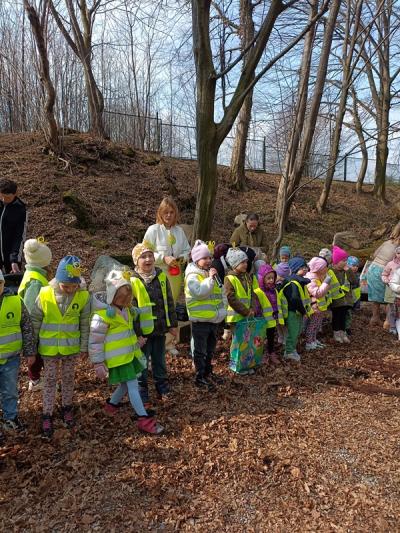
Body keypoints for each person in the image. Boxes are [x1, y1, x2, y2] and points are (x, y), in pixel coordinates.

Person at [89, 270, 164, 435]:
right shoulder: (103, 316)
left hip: (128, 355)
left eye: (127, 299)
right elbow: (95, 341)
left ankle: (111, 406)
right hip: (117, 358)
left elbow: (127, 332)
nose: (125, 302)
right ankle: (143, 418)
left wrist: (136, 342)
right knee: (133, 386)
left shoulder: (126, 310)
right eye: (122, 299)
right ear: (113, 296)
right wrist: (98, 362)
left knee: (125, 384)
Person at [31, 256, 90, 438]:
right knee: (49, 380)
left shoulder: (83, 296)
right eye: (66, 286)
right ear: (58, 280)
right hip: (49, 349)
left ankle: (67, 407)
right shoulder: (45, 293)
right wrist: (32, 347)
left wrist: (84, 347)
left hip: (71, 348)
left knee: (68, 378)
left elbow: (85, 323)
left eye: (74, 286)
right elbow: (35, 320)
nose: (70, 289)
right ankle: (47, 413)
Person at [130, 242, 178, 406]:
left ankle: (162, 386)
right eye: (143, 257)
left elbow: (169, 301)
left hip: (159, 328)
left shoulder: (161, 276)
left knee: (159, 359)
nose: (148, 259)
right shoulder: (133, 281)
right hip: (143, 333)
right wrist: (137, 334)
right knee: (142, 362)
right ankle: (142, 390)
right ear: (136, 261)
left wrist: (172, 324)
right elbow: (132, 311)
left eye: (150, 256)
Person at [143, 197, 190, 356]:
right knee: (157, 307)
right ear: (160, 213)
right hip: (157, 273)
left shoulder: (179, 231)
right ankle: (153, 342)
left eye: (171, 212)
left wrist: (182, 258)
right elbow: (144, 252)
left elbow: (187, 250)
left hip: (175, 274)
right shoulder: (153, 230)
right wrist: (163, 258)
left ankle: (169, 343)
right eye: (166, 212)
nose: (169, 215)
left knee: (171, 307)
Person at [185, 240, 226, 391]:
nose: (209, 261)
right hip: (200, 320)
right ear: (196, 260)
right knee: (200, 350)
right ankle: (199, 376)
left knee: (210, 349)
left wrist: (223, 310)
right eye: (204, 258)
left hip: (213, 319)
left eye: (209, 257)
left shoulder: (210, 274)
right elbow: (200, 292)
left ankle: (208, 372)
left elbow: (221, 293)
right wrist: (210, 279)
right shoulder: (192, 276)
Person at [0, 271, 36, 442]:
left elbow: (27, 327)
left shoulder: (15, 301)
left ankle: (11, 418)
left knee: (10, 390)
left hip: (10, 359)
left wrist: (30, 351)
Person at [18, 237, 52, 392]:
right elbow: (30, 308)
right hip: (33, 325)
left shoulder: (32, 273)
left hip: (35, 323)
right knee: (36, 355)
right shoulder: (35, 281)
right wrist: (33, 332)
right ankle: (35, 380)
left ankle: (37, 377)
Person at [224, 248, 259, 374]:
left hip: (247, 315)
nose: (245, 264)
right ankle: (236, 365)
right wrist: (245, 311)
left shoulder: (247, 277)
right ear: (234, 264)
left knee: (247, 341)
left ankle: (245, 364)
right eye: (242, 262)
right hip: (236, 316)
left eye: (246, 262)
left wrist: (253, 308)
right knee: (238, 342)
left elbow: (252, 294)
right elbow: (231, 298)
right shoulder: (229, 278)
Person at [367, 222, 400, 327]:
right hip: (384, 271)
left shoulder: (387, 242)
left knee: (376, 296)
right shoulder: (398, 246)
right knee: (390, 298)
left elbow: (374, 254)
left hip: (372, 268)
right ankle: (388, 321)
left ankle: (375, 317)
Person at [281, 256, 311, 362]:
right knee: (293, 332)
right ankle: (289, 352)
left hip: (298, 312)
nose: (305, 269)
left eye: (306, 267)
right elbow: (294, 299)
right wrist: (303, 311)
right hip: (292, 312)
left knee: (297, 331)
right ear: (295, 268)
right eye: (302, 267)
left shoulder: (299, 281)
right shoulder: (293, 282)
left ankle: (292, 349)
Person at [254, 263, 285, 364]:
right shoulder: (258, 292)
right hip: (262, 322)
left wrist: (278, 317)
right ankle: (261, 355)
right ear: (262, 279)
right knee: (261, 338)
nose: (271, 280)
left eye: (273, 278)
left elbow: (277, 304)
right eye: (268, 278)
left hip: (272, 320)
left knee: (271, 338)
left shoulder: (274, 290)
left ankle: (271, 353)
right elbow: (257, 307)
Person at [330, 246, 357, 344]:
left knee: (344, 317)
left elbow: (354, 281)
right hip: (336, 299)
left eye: (346, 260)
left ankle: (343, 333)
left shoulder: (347, 271)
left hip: (346, 300)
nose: (346, 262)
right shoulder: (331, 271)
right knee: (337, 317)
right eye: (343, 260)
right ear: (337, 261)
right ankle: (336, 333)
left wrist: (348, 271)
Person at [0, 178, 27, 274]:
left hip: (10, 258)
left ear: (15, 194)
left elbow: (19, 236)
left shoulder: (21, 209)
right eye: (1, 196)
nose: (4, 200)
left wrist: (14, 260)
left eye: (7, 198)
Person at [304, 257, 331, 350]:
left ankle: (313, 340)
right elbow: (317, 293)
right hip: (314, 307)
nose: (326, 269)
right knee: (312, 325)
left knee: (317, 325)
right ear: (318, 268)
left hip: (320, 307)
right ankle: (309, 342)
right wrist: (326, 283)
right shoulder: (311, 279)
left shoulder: (318, 277)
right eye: (324, 267)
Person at [381, 247, 400, 334]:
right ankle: (392, 326)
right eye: (398, 253)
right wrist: (386, 281)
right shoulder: (390, 264)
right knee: (392, 308)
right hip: (390, 288)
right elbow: (384, 274)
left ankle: (398, 326)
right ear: (395, 254)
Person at [389, 268, 400, 340]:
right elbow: (392, 283)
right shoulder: (399, 271)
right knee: (398, 316)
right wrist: (398, 288)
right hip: (399, 297)